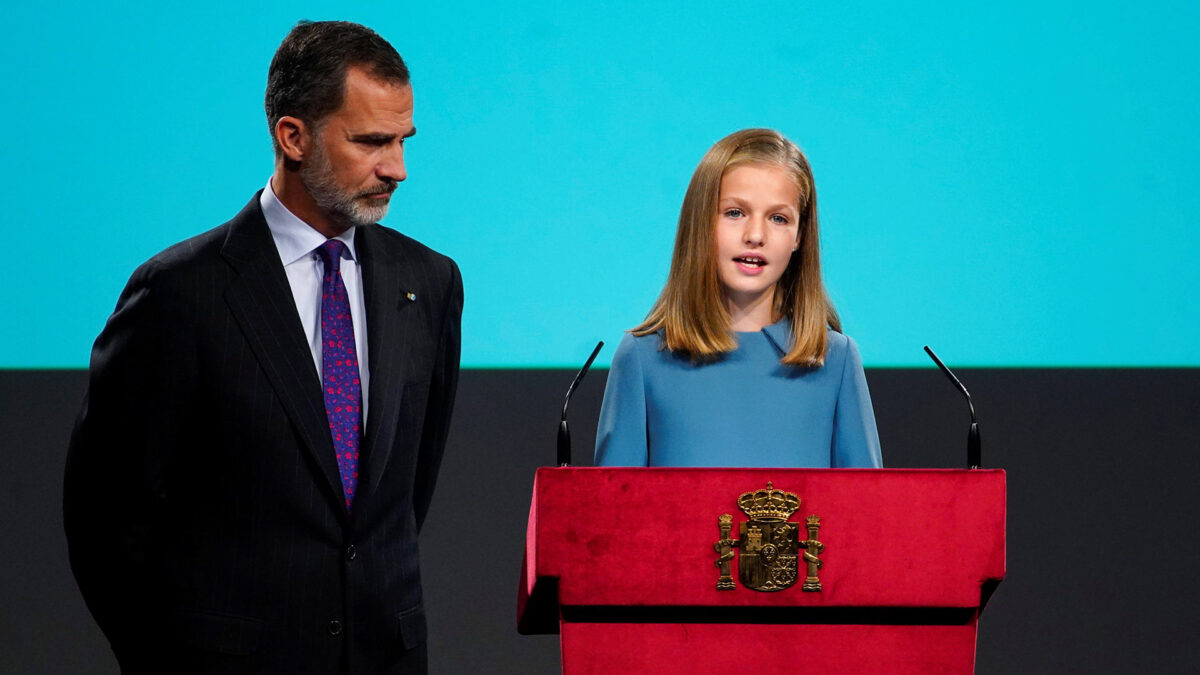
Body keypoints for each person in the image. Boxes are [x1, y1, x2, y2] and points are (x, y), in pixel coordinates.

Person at [63, 21, 462, 674]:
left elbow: (397, 502)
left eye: (401, 141)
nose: (397, 168)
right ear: (293, 136)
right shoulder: (179, 293)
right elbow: (106, 522)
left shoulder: (431, 282)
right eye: (371, 141)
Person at [594, 129, 881, 468]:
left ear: (799, 236)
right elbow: (612, 513)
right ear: (701, 222)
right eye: (734, 213)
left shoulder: (836, 360)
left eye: (778, 218)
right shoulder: (643, 358)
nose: (755, 235)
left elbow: (865, 514)